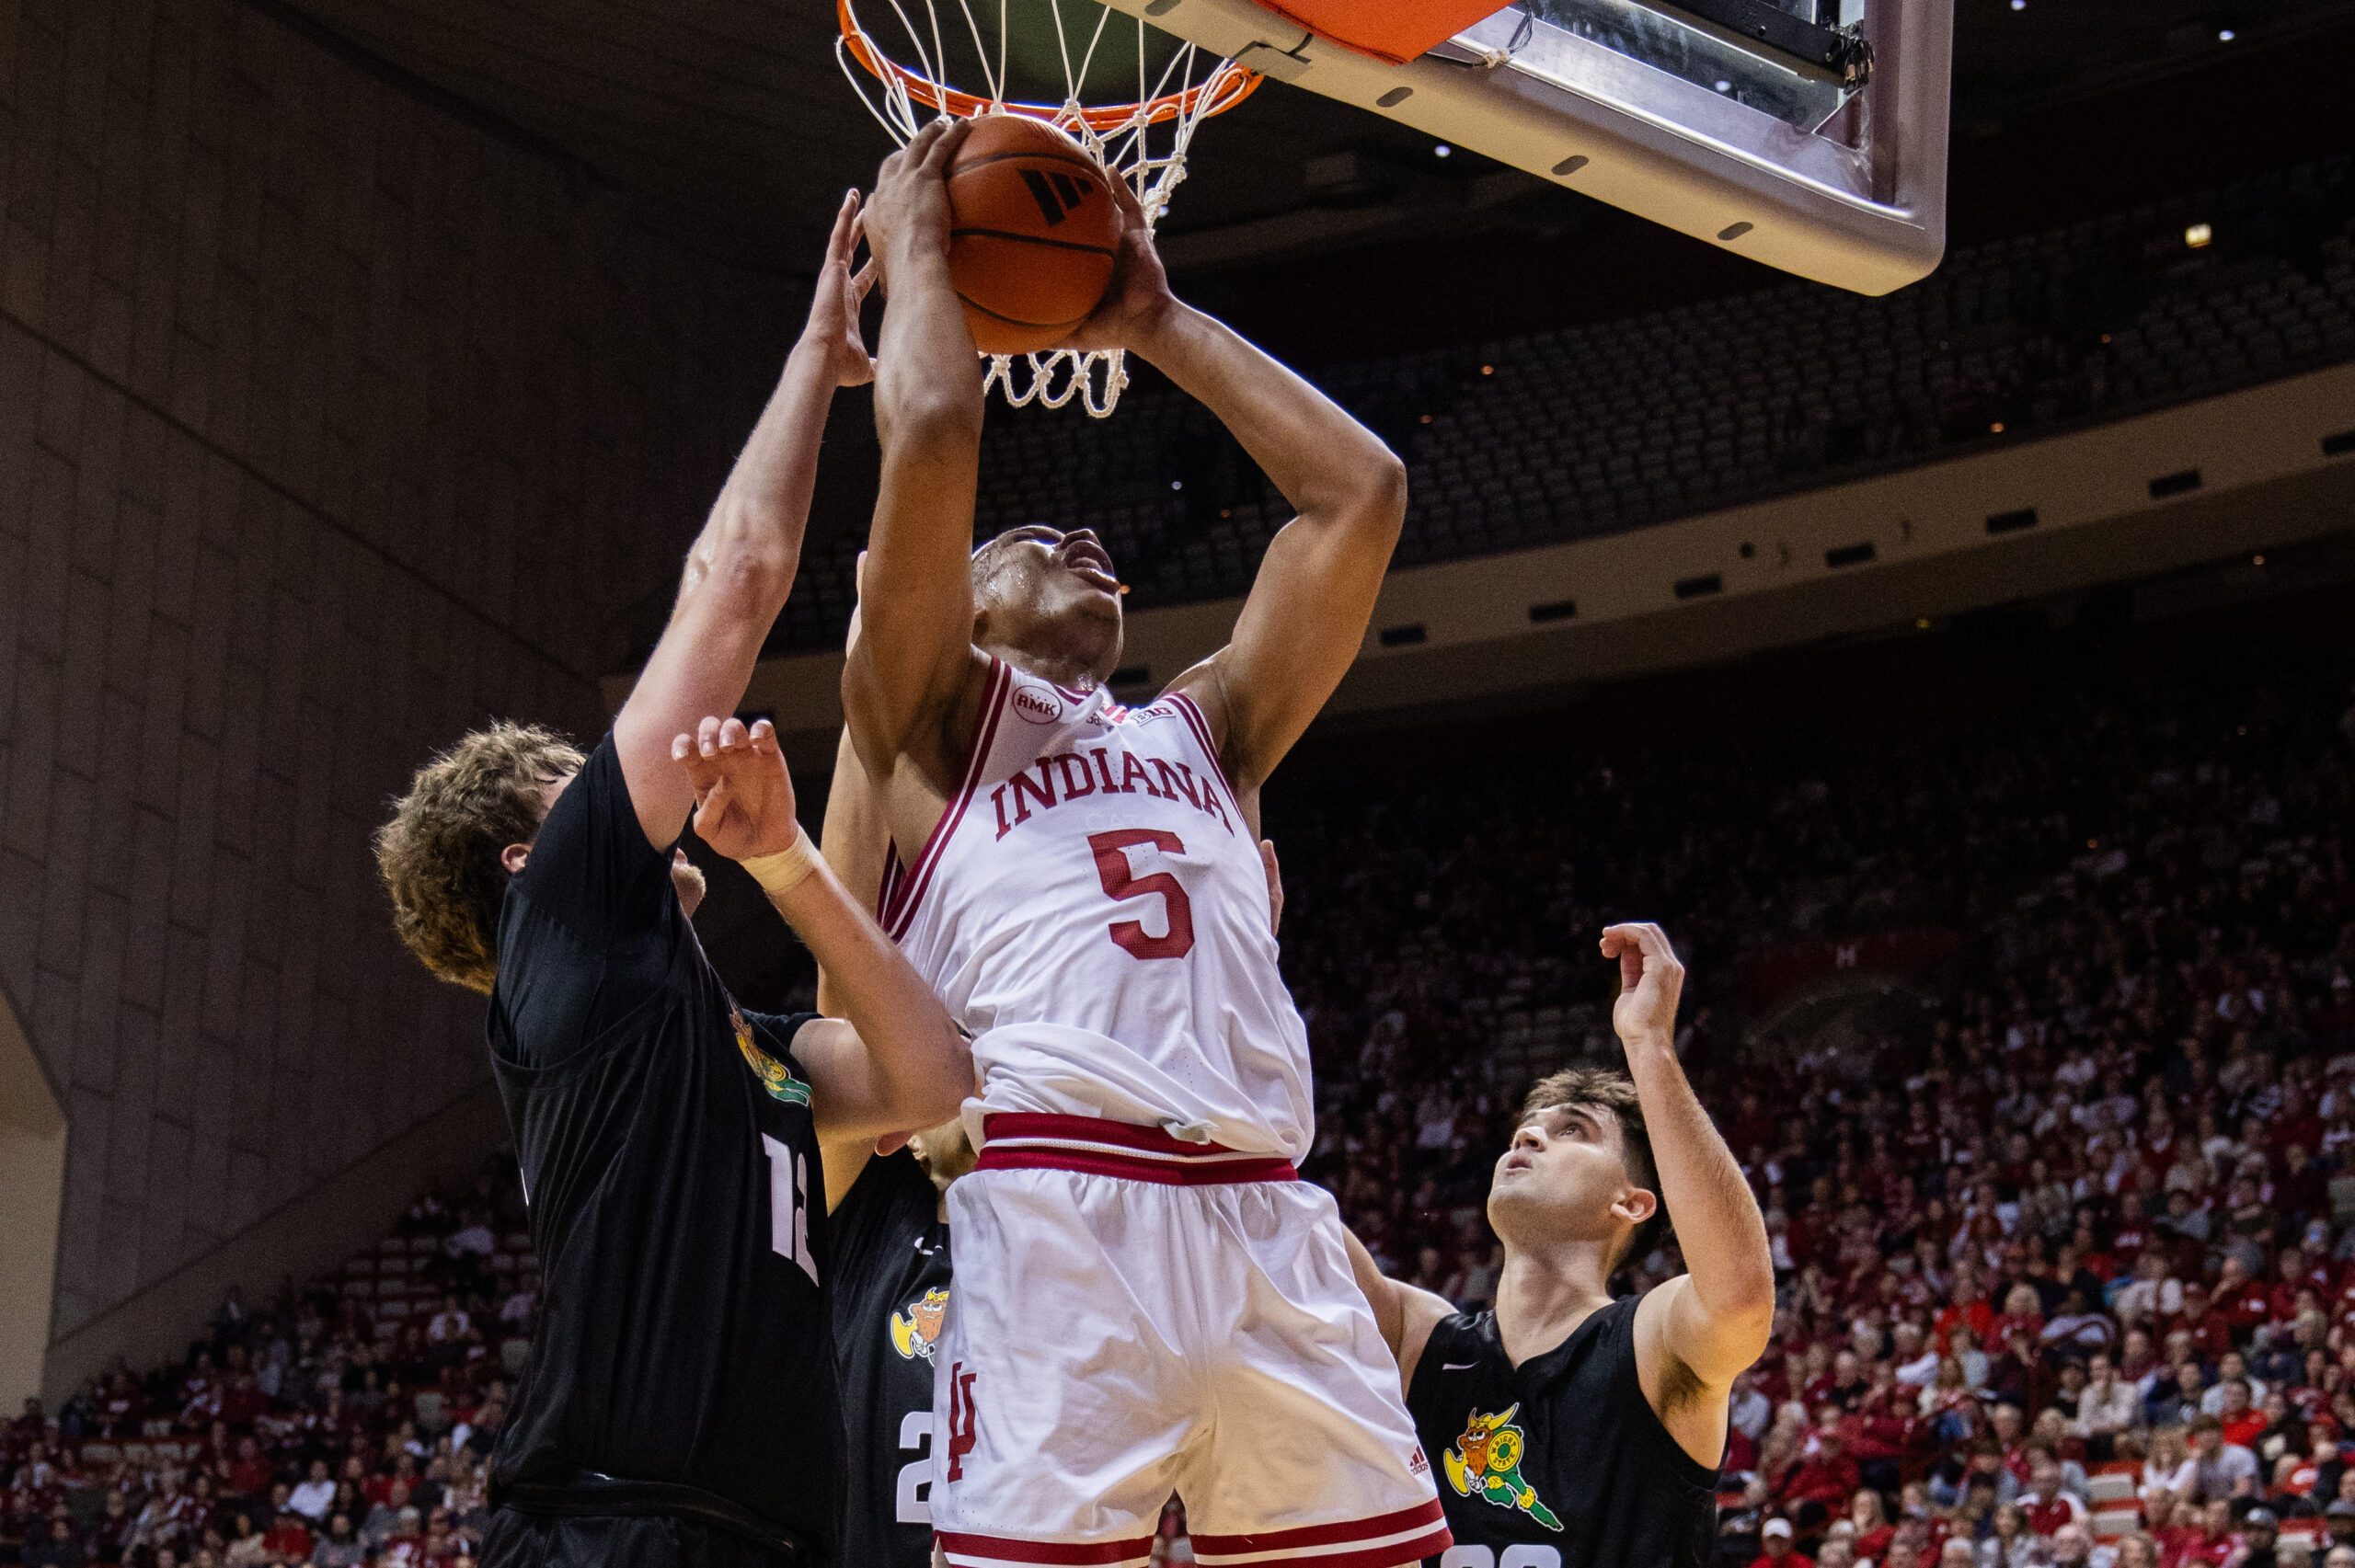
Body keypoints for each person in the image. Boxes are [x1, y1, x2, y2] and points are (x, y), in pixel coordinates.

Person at [844, 120, 1442, 1566]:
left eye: (1094, 539)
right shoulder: (923, 720)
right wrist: (923, 246)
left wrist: (1157, 321)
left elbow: (1360, 495)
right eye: (1031, 538)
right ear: (959, 605)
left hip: (1266, 1216)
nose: (1087, 542)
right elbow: (932, 430)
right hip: (1060, 1213)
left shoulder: (1203, 734)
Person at [373, 193, 970, 1568]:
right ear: (533, 857)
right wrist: (812, 361)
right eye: (580, 783)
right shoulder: (568, 908)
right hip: (610, 1526)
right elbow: (739, 578)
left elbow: (934, 1079)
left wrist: (787, 861)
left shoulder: (741, 1054)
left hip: (753, 1540)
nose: (620, 790)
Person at [1348, 924, 1775, 1566]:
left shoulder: (1650, 1346)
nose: (1528, 1138)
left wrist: (1650, 1043)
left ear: (1630, 1201)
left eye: (1571, 1129)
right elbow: (1271, 1208)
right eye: (1525, 1129)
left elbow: (1740, 1296)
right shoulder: (1417, 1336)